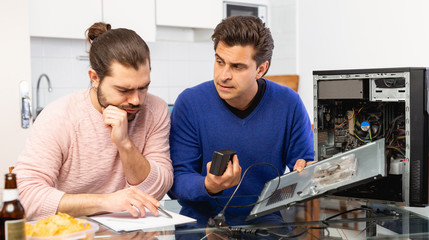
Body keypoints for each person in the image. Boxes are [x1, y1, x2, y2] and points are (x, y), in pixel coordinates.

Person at [13, 22, 173, 220]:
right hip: (74, 231)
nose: (136, 100)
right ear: (95, 78)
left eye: (143, 87)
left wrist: (125, 145)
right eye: (124, 90)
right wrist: (106, 201)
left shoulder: (155, 109)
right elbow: (25, 197)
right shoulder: (59, 117)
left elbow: (158, 188)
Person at [169, 16, 314, 224]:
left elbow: (304, 166)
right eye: (219, 62)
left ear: (261, 69)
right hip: (199, 226)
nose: (223, 75)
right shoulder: (190, 103)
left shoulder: (289, 103)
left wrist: (306, 172)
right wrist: (210, 185)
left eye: (237, 67)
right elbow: (177, 182)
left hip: (266, 225)